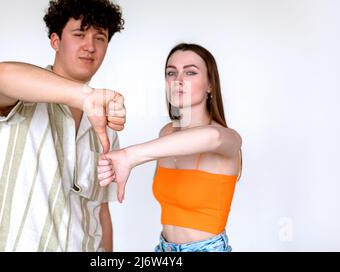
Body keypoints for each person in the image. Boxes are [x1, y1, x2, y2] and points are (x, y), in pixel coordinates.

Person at [0, 0, 126, 252]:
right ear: (55, 41)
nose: (90, 46)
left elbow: (100, 210)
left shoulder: (104, 126)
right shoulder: (22, 95)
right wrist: (85, 97)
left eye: (100, 38)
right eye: (79, 34)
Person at [97, 43, 242, 252]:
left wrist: (131, 156)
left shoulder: (226, 139)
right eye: (171, 73)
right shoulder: (166, 134)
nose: (178, 81)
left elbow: (213, 137)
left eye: (190, 72)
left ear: (210, 84)